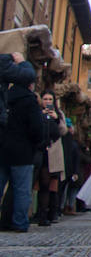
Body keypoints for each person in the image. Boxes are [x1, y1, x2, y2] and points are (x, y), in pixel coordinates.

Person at [0, 52, 41, 232]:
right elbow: (36, 129)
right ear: (30, 86)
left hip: (2, 148)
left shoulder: (6, 98)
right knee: (22, 190)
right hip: (22, 151)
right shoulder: (30, 101)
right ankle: (19, 223)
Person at [35, 90, 67, 226]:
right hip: (41, 151)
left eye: (50, 99)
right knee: (41, 182)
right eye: (45, 99)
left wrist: (57, 119)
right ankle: (40, 213)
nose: (47, 102)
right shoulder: (37, 112)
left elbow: (64, 131)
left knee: (52, 184)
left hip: (54, 152)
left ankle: (51, 212)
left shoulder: (59, 114)